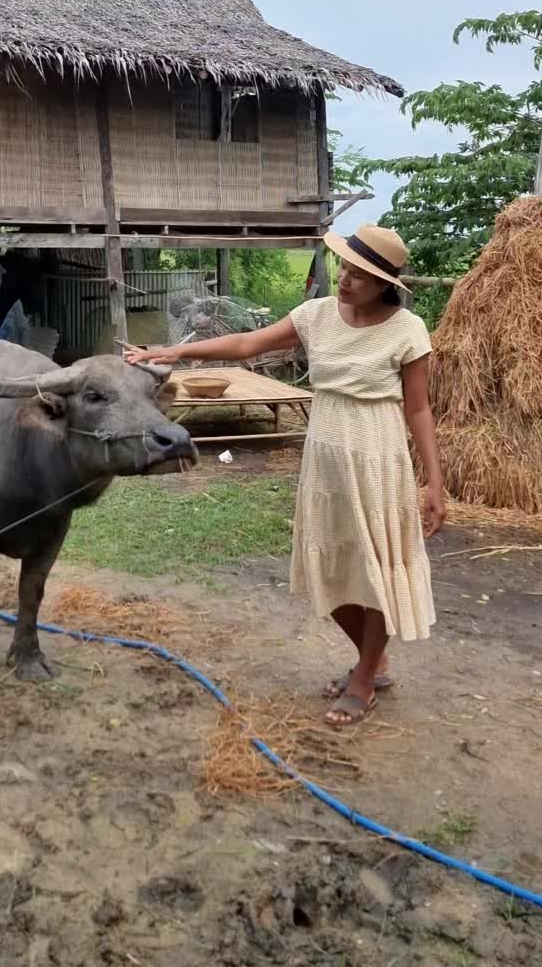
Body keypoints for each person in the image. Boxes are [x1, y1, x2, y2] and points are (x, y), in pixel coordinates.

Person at [125, 223, 445, 728]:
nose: (346, 279)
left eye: (361, 275)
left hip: (379, 459)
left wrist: (435, 483)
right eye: (345, 266)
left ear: (386, 284)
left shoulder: (407, 331)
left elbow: (420, 409)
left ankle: (364, 679)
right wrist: (173, 353)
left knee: (378, 568)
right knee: (329, 565)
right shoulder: (316, 315)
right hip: (324, 459)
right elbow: (248, 344)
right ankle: (373, 660)